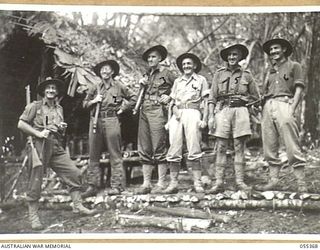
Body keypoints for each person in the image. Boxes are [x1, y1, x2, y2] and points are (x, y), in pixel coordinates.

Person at [18, 77, 95, 231]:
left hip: (55, 145)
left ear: (57, 91)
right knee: (36, 180)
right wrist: (38, 134)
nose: (51, 90)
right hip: (39, 145)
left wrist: (62, 128)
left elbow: (60, 130)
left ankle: (77, 205)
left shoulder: (59, 108)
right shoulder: (35, 106)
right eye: (48, 88)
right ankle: (34, 217)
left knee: (73, 172)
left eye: (54, 88)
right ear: (44, 91)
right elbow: (21, 123)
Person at [255, 37, 307, 192]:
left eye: (276, 48)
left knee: (291, 143)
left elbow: (299, 88)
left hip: (285, 104)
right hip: (268, 106)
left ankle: (301, 182)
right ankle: (273, 181)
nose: (273, 52)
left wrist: (292, 108)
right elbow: (265, 93)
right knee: (269, 144)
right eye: (271, 50)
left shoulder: (294, 65)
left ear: (284, 49)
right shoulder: (270, 71)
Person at [207, 44, 260, 194]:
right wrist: (211, 116)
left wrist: (245, 102)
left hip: (241, 111)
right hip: (223, 110)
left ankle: (240, 181)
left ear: (240, 57)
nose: (231, 57)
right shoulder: (219, 74)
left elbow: (256, 98)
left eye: (235, 55)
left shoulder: (247, 74)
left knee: (239, 147)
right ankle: (218, 182)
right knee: (221, 147)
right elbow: (212, 97)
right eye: (229, 55)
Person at [82, 60, 136, 196]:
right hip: (95, 120)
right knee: (93, 154)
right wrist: (94, 101)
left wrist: (123, 108)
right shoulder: (95, 87)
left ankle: (117, 186)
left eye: (107, 69)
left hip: (112, 119)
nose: (104, 72)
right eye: (102, 69)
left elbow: (133, 98)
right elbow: (84, 104)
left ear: (112, 72)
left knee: (115, 153)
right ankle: (92, 186)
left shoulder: (119, 87)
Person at [165, 52, 209, 194]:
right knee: (174, 148)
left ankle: (197, 182)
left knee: (194, 147)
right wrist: (169, 120)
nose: (186, 66)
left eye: (189, 64)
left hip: (193, 112)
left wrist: (204, 119)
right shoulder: (178, 81)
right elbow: (171, 102)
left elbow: (207, 101)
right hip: (177, 114)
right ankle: (173, 183)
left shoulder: (201, 80)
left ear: (195, 65)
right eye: (184, 64)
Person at [135, 45, 176, 194]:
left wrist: (170, 96)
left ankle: (161, 183)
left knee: (159, 145)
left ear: (160, 58)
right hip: (144, 110)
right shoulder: (146, 74)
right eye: (149, 57)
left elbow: (179, 87)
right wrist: (140, 85)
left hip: (158, 110)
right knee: (144, 146)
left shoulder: (167, 73)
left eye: (153, 57)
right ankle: (146, 184)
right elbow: (138, 95)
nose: (151, 59)